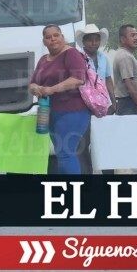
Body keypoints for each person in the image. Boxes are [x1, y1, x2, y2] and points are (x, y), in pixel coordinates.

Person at [29, 25, 89, 174]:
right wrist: (35, 88)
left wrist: (50, 89)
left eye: (56, 35)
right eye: (48, 37)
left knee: (66, 152)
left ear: (62, 37)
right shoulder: (43, 60)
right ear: (44, 41)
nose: (53, 39)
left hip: (73, 111)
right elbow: (32, 83)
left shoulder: (72, 54)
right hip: (50, 112)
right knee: (61, 153)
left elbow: (77, 79)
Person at [74, 23, 116, 174]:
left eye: (96, 39)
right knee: (84, 143)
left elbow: (108, 79)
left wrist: (113, 101)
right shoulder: (78, 58)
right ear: (84, 42)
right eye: (90, 40)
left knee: (105, 142)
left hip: (104, 106)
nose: (94, 43)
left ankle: (108, 176)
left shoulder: (103, 58)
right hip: (84, 107)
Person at [113, 24, 137, 116]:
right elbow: (129, 83)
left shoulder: (128, 55)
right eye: (132, 35)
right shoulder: (124, 56)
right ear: (123, 39)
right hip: (129, 104)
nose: (136, 38)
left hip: (131, 103)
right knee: (131, 130)